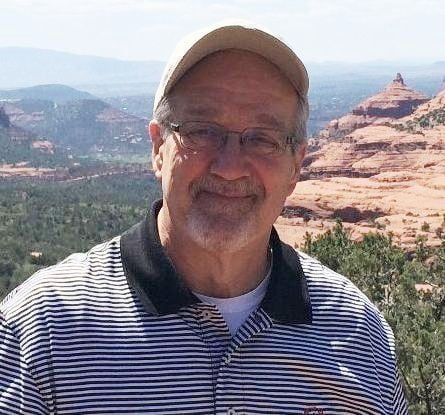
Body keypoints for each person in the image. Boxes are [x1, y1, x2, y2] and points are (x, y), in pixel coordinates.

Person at [0, 22, 407, 415]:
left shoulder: (356, 332)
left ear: (295, 166)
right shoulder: (42, 330)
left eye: (263, 139)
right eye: (201, 132)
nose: (229, 167)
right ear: (158, 148)